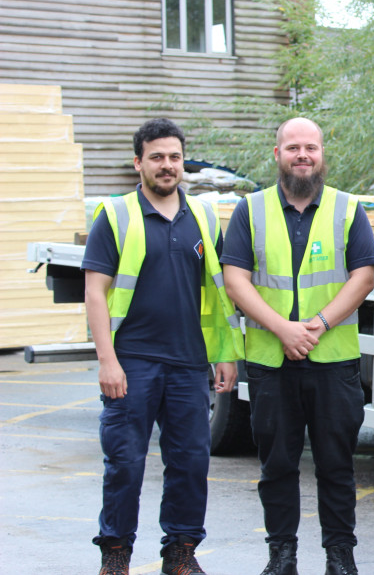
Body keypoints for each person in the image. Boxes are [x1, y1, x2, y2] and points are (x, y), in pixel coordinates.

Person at [83, 118, 243, 575]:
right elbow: (96, 292)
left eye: (174, 157)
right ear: (139, 163)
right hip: (131, 362)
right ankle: (116, 553)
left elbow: (218, 292)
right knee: (125, 464)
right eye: (157, 157)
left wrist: (225, 352)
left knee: (191, 464)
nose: (167, 165)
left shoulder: (205, 218)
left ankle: (181, 552)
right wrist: (107, 361)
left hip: (189, 362)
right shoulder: (115, 216)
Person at [221, 117, 374, 575]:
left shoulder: (348, 209)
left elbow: (363, 276)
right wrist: (283, 329)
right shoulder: (249, 211)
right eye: (293, 148)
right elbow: (236, 280)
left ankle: (339, 557)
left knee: (336, 467)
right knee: (277, 467)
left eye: (311, 147)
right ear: (277, 155)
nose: (303, 155)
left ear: (322, 154)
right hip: (272, 361)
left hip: (332, 361)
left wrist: (317, 325)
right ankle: (281, 556)